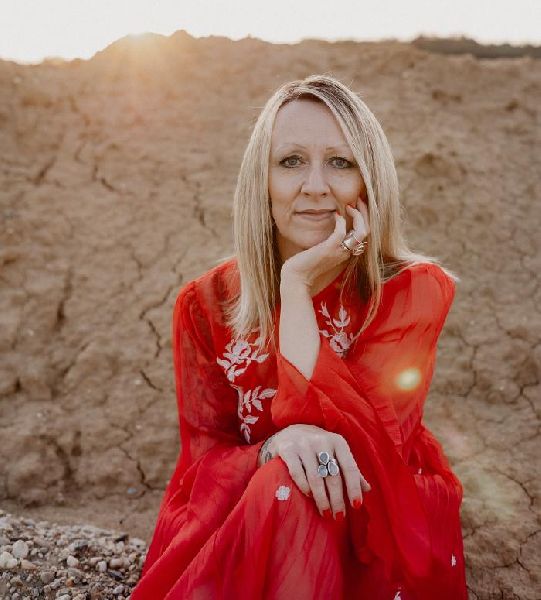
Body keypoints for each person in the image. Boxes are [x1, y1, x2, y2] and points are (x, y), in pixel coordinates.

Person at [130, 74, 468, 599]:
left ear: (369, 180)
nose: (315, 185)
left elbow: (364, 448)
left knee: (295, 484)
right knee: (283, 482)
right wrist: (274, 448)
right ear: (261, 180)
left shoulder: (412, 291)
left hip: (377, 516)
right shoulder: (205, 302)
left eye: (340, 162)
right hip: (251, 510)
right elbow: (204, 459)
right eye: (290, 161)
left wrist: (297, 285)